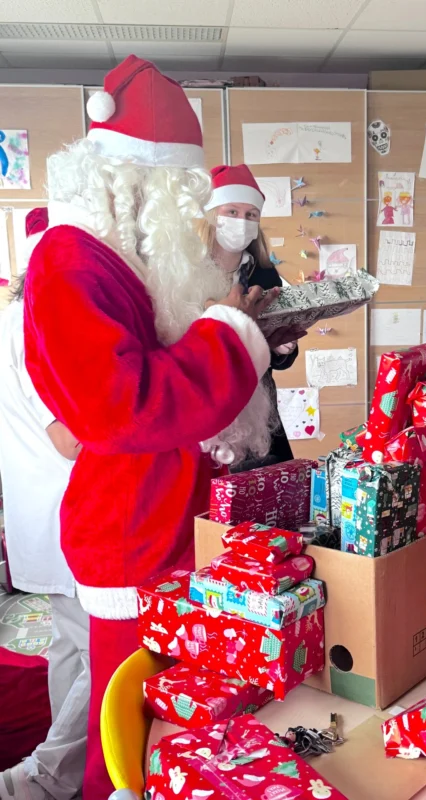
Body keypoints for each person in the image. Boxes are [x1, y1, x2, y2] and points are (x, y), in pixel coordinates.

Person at [22, 56, 277, 797]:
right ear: (142, 186)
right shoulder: (72, 262)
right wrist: (229, 334)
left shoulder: (120, 257)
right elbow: (123, 405)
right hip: (130, 529)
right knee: (128, 728)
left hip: (164, 514)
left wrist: (249, 330)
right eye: (179, 192)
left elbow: (160, 351)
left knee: (168, 710)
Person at [0, 208, 90, 800]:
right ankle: (47, 775)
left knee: (67, 645)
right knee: (102, 654)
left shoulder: (9, 319)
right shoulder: (40, 326)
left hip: (37, 511)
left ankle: (59, 764)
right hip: (68, 510)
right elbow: (71, 437)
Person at [200, 164, 307, 470]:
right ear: (212, 215)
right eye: (232, 211)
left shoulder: (265, 274)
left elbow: (279, 362)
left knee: (271, 488)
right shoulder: (186, 273)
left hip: (257, 409)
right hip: (203, 407)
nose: (242, 222)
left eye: (251, 215)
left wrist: (281, 348)